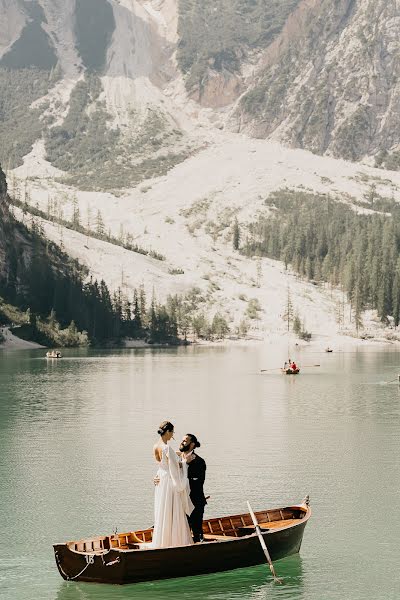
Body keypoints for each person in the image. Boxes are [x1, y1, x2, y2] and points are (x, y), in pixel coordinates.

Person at [151, 421, 194, 548]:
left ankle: (163, 540)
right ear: (168, 432)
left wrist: (178, 456)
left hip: (161, 481)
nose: (173, 436)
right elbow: (174, 468)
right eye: (172, 432)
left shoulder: (156, 446)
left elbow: (163, 464)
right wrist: (185, 462)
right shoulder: (167, 448)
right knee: (173, 510)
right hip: (169, 482)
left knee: (163, 510)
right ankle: (175, 541)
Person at [179, 433, 207, 543]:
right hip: (179, 502)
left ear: (192, 444)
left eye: (185, 441)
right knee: (181, 531)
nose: (182, 442)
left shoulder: (199, 461)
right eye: (182, 440)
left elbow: (198, 483)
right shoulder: (177, 459)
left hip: (195, 502)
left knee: (196, 531)